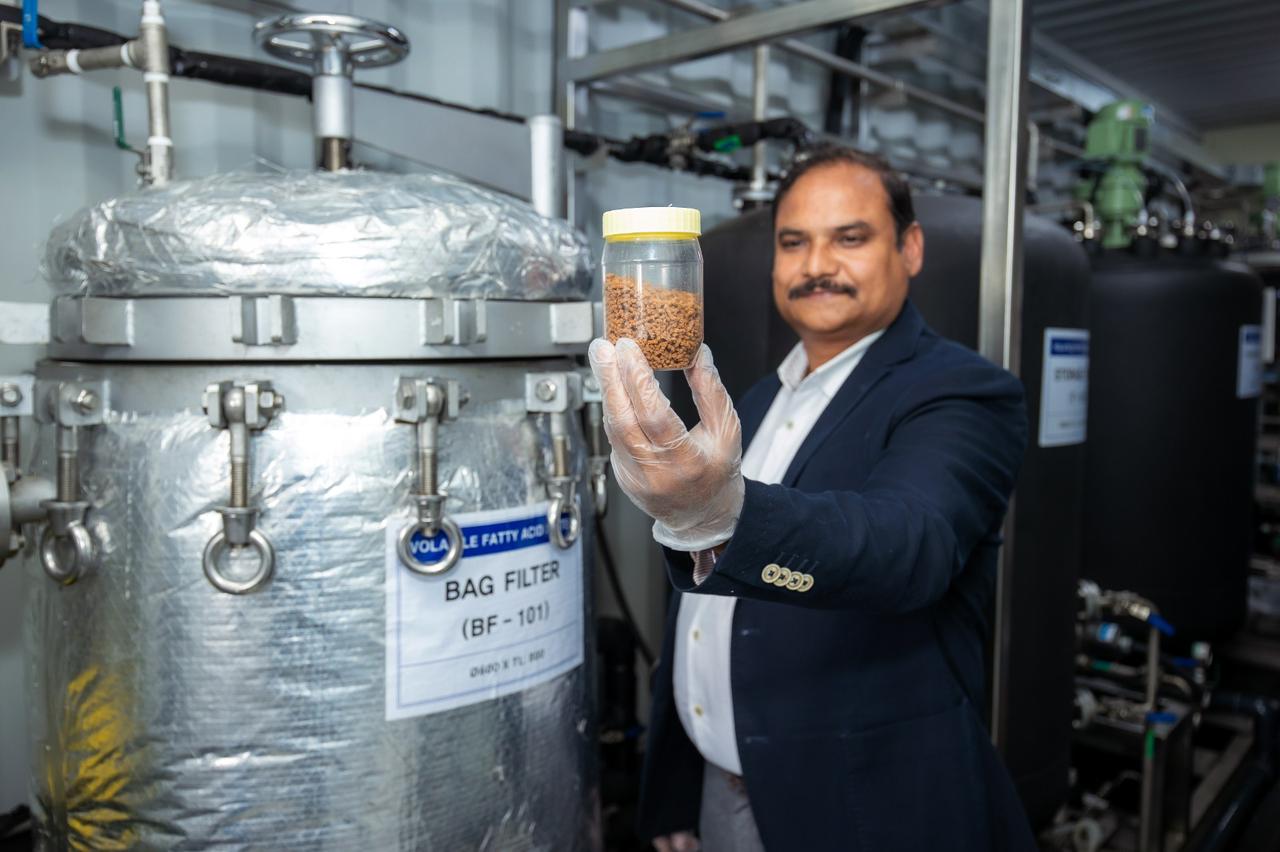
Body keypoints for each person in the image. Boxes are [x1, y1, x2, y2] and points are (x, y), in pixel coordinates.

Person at [588, 145, 1036, 852]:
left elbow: (909, 547)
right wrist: (672, 787)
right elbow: (704, 617)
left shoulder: (960, 392)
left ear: (910, 248)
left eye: (849, 238)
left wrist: (726, 514)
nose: (816, 265)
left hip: (861, 809)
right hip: (719, 788)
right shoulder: (758, 398)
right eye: (794, 242)